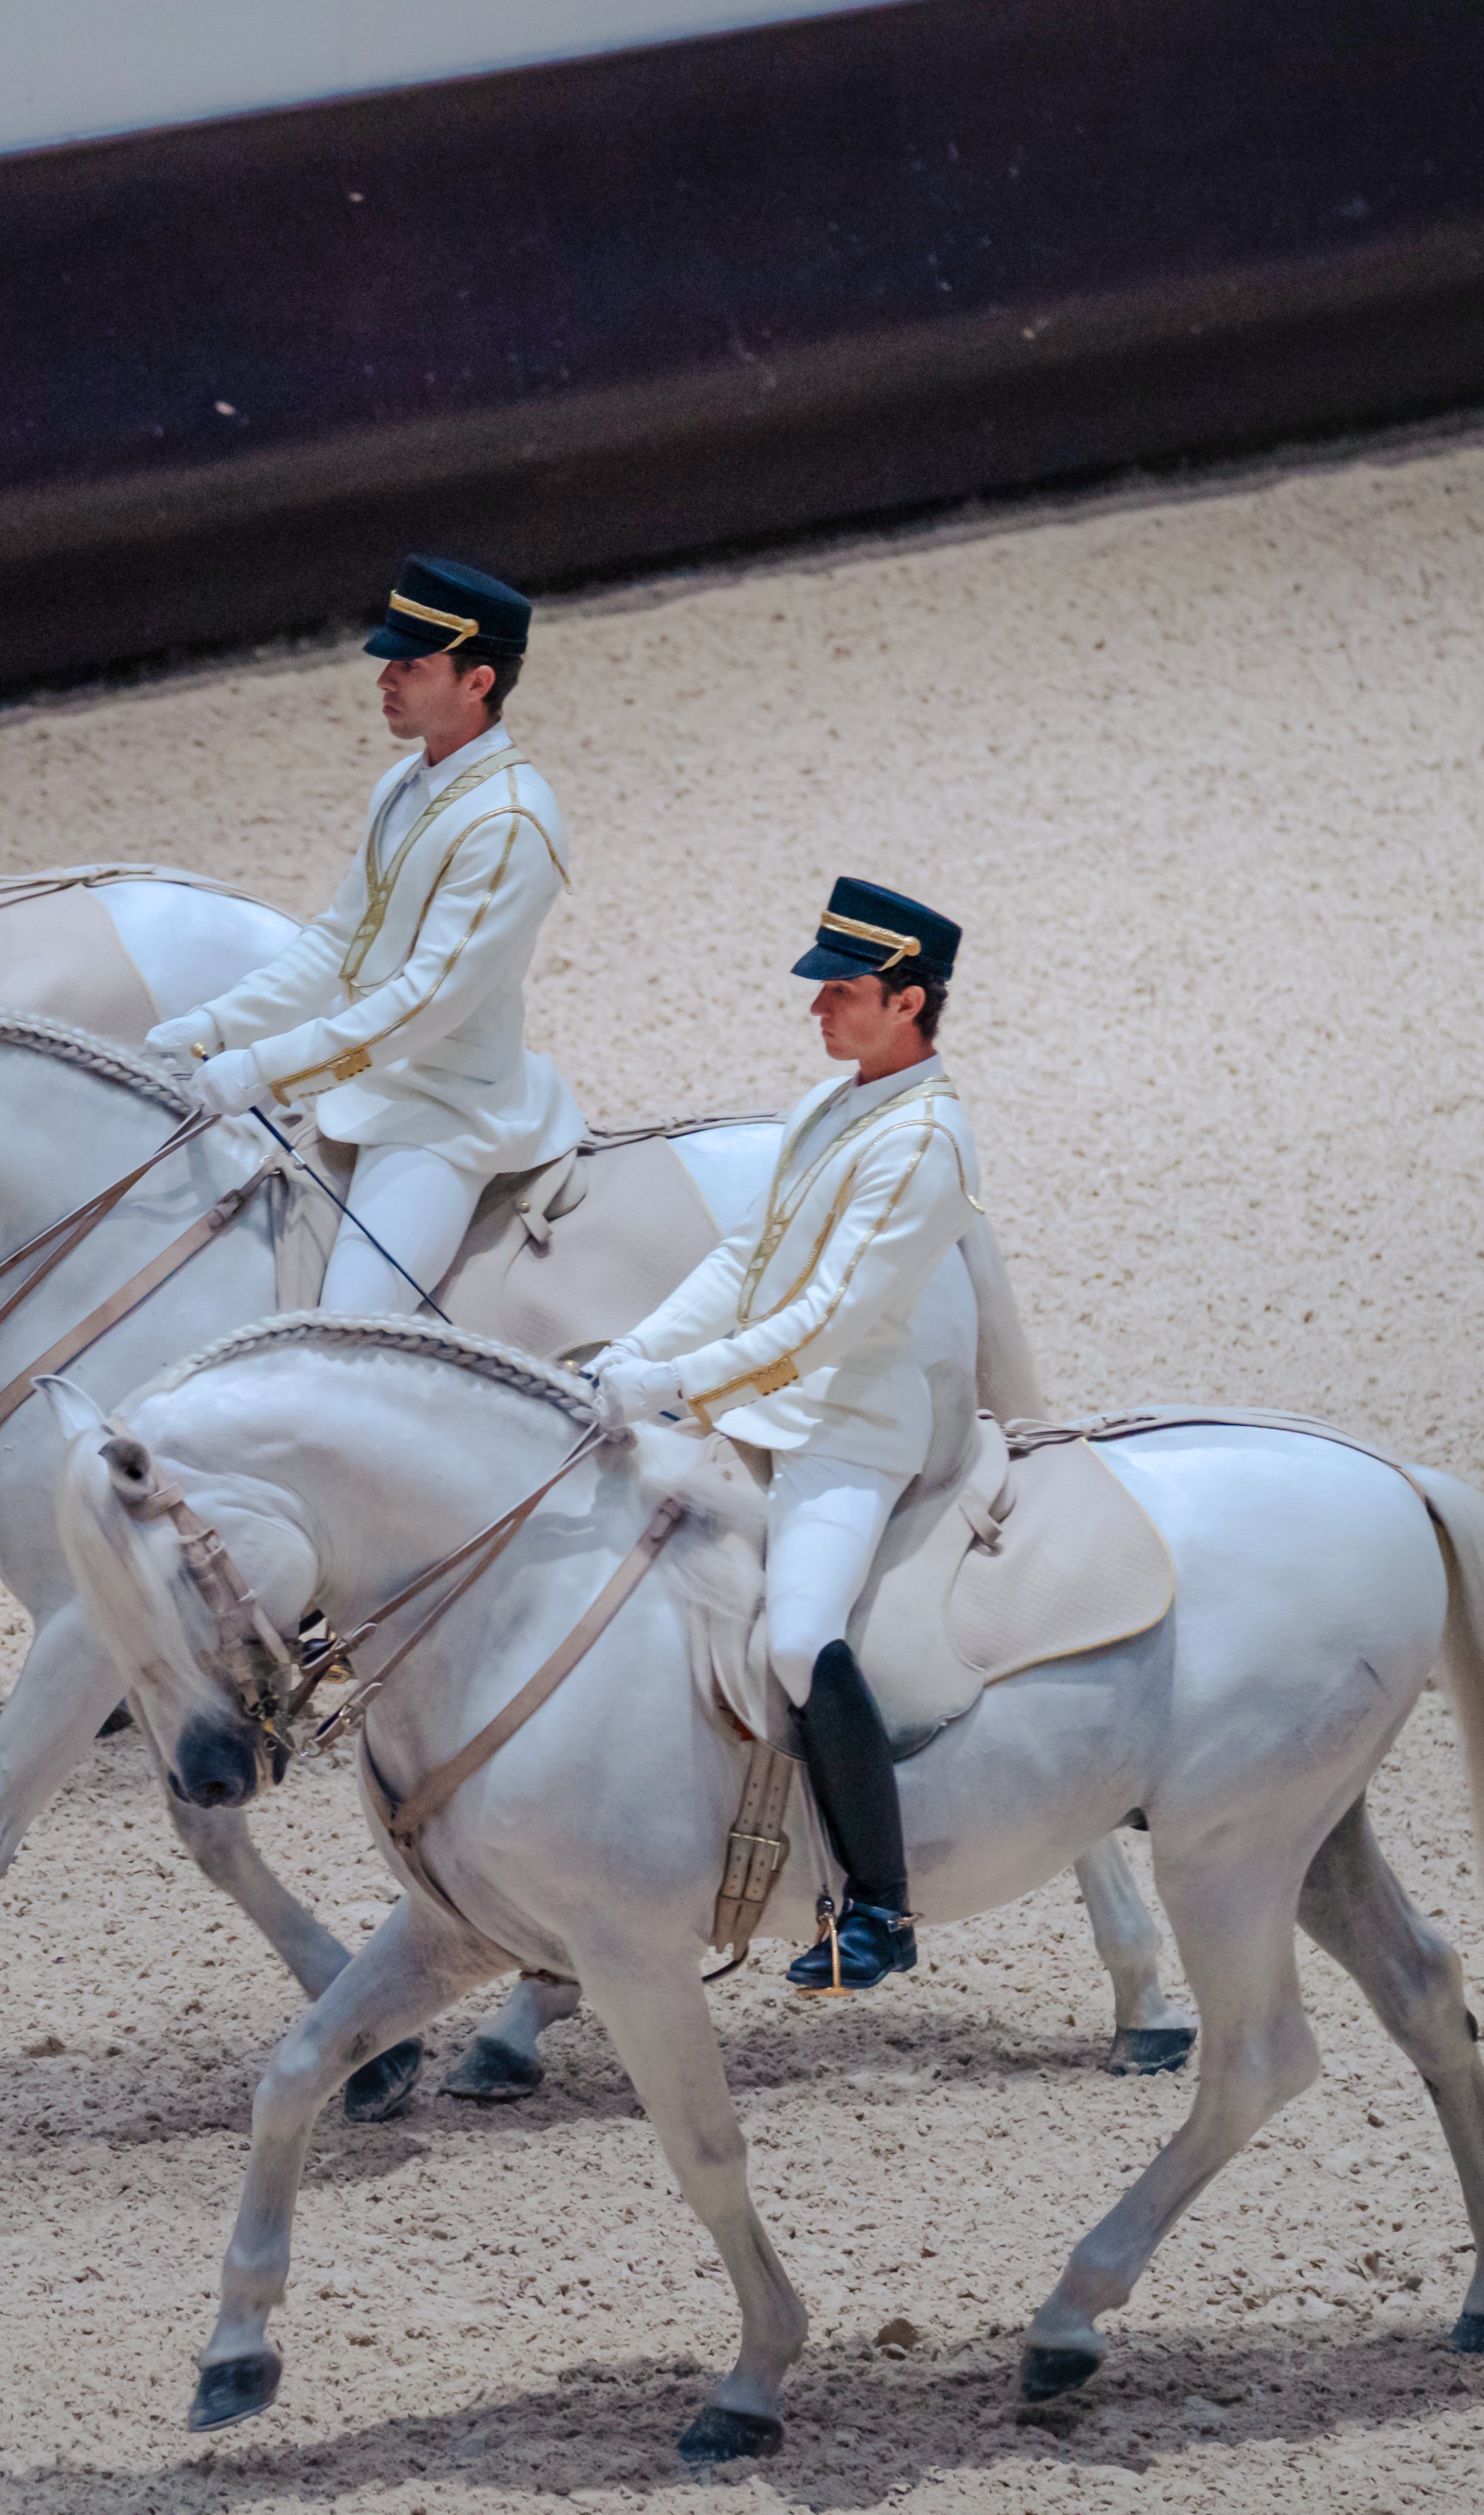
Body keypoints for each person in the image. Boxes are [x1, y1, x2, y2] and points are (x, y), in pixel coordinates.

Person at [585, 879, 975, 1992]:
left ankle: (880, 1911)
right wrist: (632, 1350)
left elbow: (823, 1328)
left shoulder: (925, 1144)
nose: (818, 1008)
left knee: (798, 1640)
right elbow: (743, 1264)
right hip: (751, 1408)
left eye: (841, 992)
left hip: (844, 1430)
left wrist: (670, 1387)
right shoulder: (831, 1103)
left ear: (908, 1002)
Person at [146, 557, 584, 1309]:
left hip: (442, 1114)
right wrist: (213, 1025)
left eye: (409, 666)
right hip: (361, 1080)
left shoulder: (508, 822)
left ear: (478, 682)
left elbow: (424, 1003)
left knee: (346, 1328)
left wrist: (266, 1069)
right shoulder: (406, 784)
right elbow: (336, 943)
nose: (383, 680)